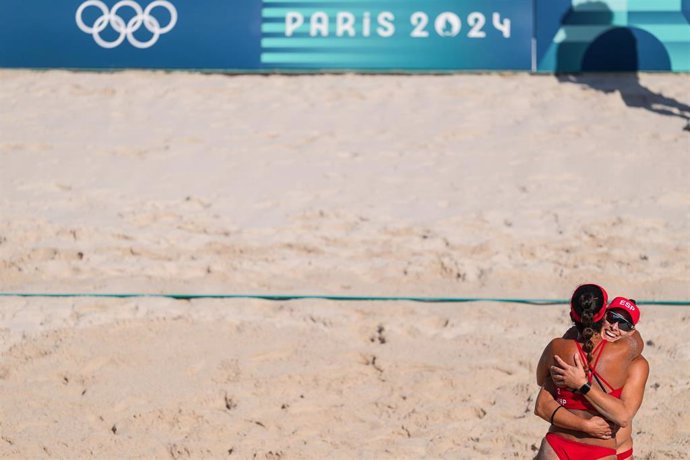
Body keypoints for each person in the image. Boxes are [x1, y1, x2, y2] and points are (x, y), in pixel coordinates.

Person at [534, 285, 642, 459]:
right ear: (603, 314)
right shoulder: (625, 352)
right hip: (597, 448)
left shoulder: (558, 348)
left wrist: (581, 384)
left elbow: (624, 416)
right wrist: (585, 425)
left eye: (624, 324)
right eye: (612, 317)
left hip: (566, 447)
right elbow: (541, 405)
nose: (615, 327)